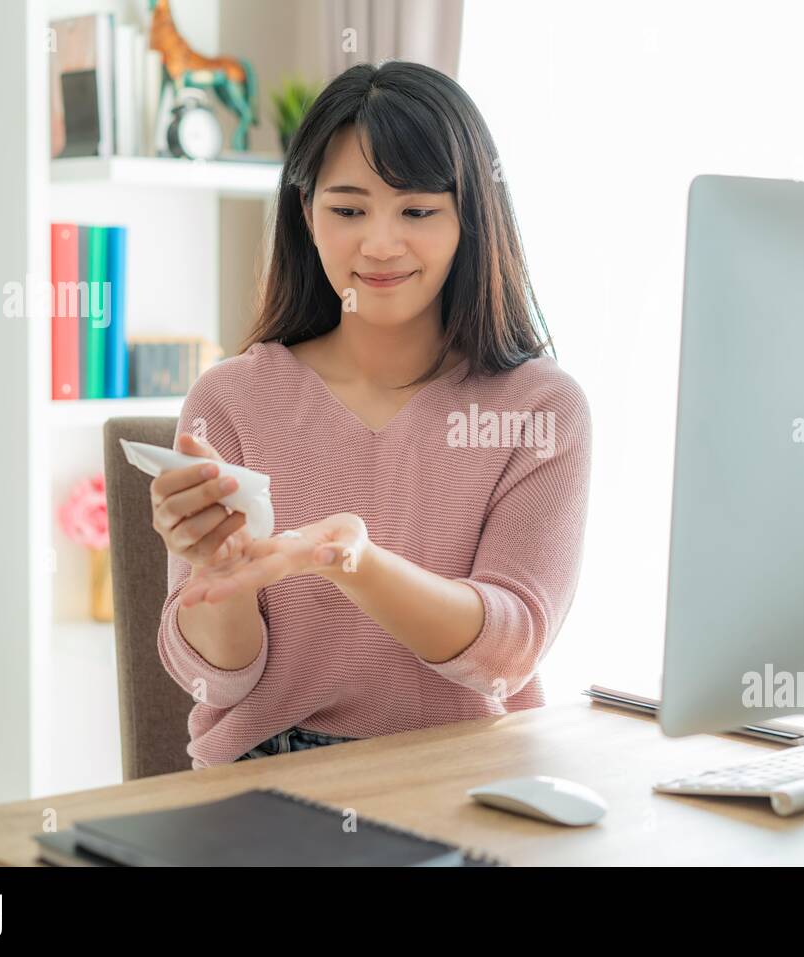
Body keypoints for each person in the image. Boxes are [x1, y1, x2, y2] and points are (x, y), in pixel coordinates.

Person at [148, 61, 592, 769]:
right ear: (307, 216)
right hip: (268, 775)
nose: (380, 244)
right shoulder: (230, 400)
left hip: (467, 774)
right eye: (348, 209)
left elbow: (507, 653)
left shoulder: (541, 409)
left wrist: (354, 563)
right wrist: (219, 574)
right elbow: (212, 676)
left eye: (417, 211)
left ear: (469, 220)